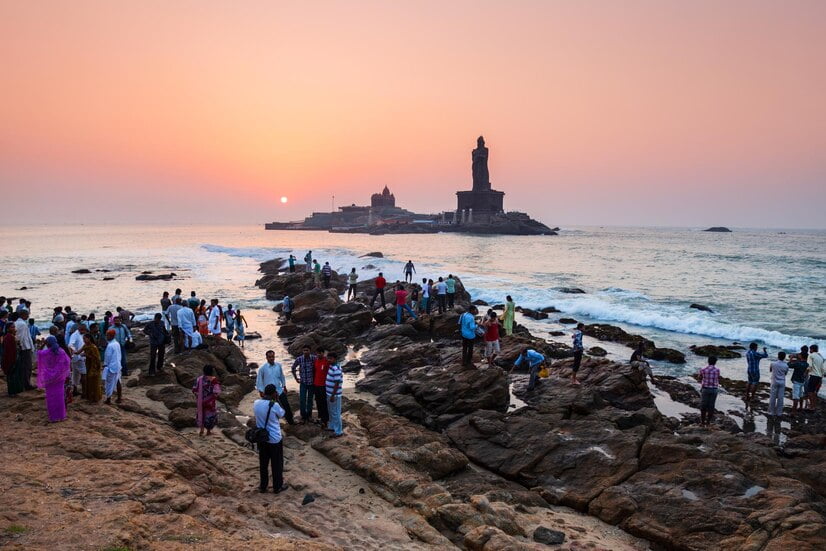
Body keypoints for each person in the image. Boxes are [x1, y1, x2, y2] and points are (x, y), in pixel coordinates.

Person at [253, 384, 288, 493]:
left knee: (263, 463)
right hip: (274, 438)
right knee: (276, 463)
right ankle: (277, 486)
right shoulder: (275, 405)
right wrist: (277, 400)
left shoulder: (256, 403)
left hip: (262, 438)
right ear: (273, 393)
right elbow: (283, 414)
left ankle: (263, 486)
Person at [37, 336, 71, 422]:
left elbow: (38, 353)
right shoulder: (61, 352)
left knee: (51, 397)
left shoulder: (46, 353)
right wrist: (63, 372)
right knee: (60, 396)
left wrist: (43, 344)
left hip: (49, 378)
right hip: (60, 378)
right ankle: (61, 416)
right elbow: (68, 362)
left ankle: (53, 417)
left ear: (47, 344)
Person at [255, 350, 295, 424]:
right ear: (266, 358)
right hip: (270, 394)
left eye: (273, 357)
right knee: (271, 407)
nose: (271, 358)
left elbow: (281, 377)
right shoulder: (262, 369)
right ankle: (273, 423)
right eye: (269, 357)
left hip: (279, 391)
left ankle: (291, 421)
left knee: (286, 406)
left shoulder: (278, 366)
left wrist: (284, 386)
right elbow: (259, 380)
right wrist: (261, 391)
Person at [193, 364, 222, 436]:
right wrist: (213, 397)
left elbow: (194, 389)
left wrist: (198, 396)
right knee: (209, 416)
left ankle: (201, 430)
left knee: (201, 414)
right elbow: (217, 391)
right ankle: (208, 431)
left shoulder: (199, 379)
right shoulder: (214, 380)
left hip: (201, 401)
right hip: (210, 402)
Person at [291, 346, 316, 423]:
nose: (305, 352)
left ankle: (309, 415)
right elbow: (293, 368)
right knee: (302, 399)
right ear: (302, 351)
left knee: (310, 400)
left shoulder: (314, 358)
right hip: (303, 383)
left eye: (307, 350)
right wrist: (296, 378)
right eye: (304, 350)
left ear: (310, 351)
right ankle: (303, 416)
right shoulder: (299, 359)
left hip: (311, 383)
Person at [2, 322, 25, 396]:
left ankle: (14, 391)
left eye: (14, 327)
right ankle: (12, 392)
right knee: (12, 375)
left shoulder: (10, 336)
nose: (14, 328)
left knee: (14, 375)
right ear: (8, 328)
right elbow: (9, 351)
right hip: (12, 359)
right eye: (12, 327)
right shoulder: (9, 337)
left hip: (14, 358)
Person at [14, 309, 35, 390]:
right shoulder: (22, 324)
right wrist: (22, 347)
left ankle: (24, 383)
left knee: (23, 367)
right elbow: (21, 337)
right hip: (25, 347)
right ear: (23, 315)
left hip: (23, 347)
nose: (28, 316)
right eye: (27, 315)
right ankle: (27, 384)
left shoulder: (17, 323)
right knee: (27, 367)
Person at [325, 351, 344, 436]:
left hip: (334, 395)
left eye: (331, 358)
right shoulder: (331, 366)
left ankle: (338, 431)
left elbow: (336, 384)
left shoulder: (336, 369)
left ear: (335, 359)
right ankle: (332, 426)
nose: (329, 360)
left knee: (336, 412)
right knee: (331, 411)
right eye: (328, 358)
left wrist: (333, 395)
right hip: (329, 393)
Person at [698, 356, 720, 427]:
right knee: (711, 406)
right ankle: (708, 422)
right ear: (715, 362)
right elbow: (718, 378)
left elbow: (699, 377)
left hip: (705, 388)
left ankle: (702, 422)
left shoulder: (703, 369)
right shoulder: (717, 370)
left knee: (703, 406)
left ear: (708, 361)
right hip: (714, 389)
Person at [81, 333, 103, 403]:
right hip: (88, 365)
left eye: (85, 338)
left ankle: (94, 397)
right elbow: (78, 352)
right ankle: (89, 397)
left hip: (94, 366)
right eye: (83, 339)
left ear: (89, 338)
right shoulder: (85, 346)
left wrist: (86, 355)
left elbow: (97, 358)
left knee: (93, 381)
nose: (83, 340)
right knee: (89, 380)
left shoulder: (93, 347)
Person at [103, 329, 123, 404]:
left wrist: (105, 364)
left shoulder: (110, 345)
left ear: (111, 336)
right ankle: (119, 397)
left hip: (111, 366)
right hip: (118, 365)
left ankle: (108, 399)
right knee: (118, 381)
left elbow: (107, 357)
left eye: (107, 335)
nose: (106, 337)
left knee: (109, 383)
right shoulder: (117, 343)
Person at [67, 324, 87, 396]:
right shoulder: (75, 335)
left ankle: (75, 390)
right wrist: (76, 352)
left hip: (77, 357)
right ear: (80, 329)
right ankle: (84, 392)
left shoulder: (80, 335)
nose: (84, 331)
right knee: (84, 374)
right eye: (83, 330)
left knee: (75, 374)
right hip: (78, 357)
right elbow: (70, 345)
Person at [313, 349, 330, 426]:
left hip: (323, 385)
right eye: (317, 353)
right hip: (316, 384)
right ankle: (320, 417)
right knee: (318, 402)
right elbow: (314, 372)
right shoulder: (316, 361)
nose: (318, 354)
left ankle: (325, 419)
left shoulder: (326, 361)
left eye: (320, 353)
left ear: (323, 353)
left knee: (324, 403)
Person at [768, 351, 789, 417]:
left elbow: (770, 370)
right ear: (784, 357)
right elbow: (785, 374)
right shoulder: (786, 365)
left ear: (778, 356)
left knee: (773, 397)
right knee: (780, 397)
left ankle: (771, 412)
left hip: (774, 381)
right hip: (782, 382)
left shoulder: (773, 363)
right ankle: (779, 413)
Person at [806, 344, 824, 412]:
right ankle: (814, 406)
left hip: (813, 375)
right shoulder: (820, 357)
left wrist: (805, 373)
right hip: (819, 376)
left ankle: (811, 406)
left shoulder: (811, 355)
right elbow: (823, 369)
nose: (809, 351)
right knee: (814, 392)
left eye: (810, 349)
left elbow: (809, 366)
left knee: (810, 391)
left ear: (812, 349)